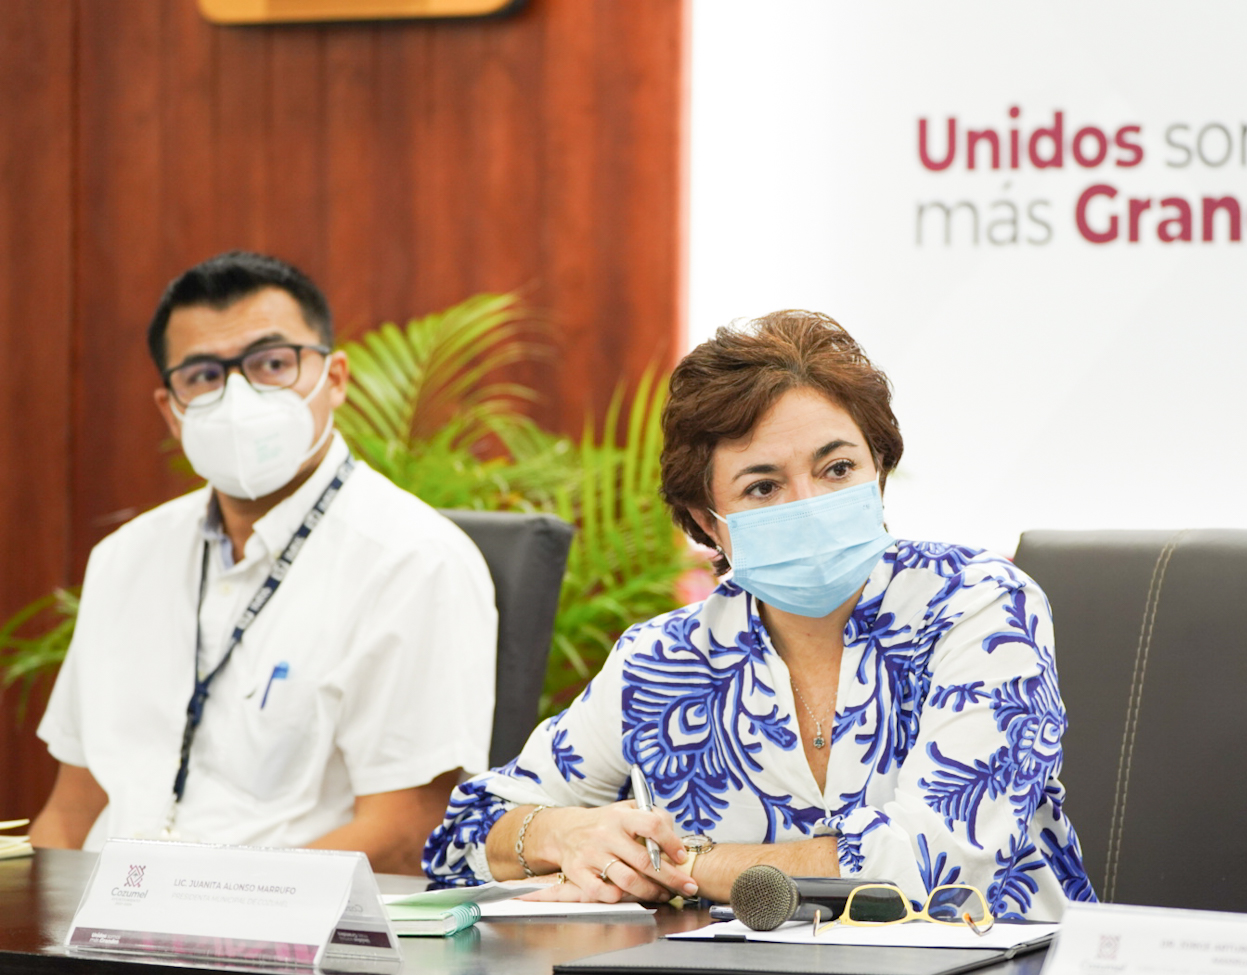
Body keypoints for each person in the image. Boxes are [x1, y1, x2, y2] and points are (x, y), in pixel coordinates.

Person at [423, 310, 1095, 918]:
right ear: (704, 523)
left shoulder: (979, 606)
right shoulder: (662, 661)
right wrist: (561, 834)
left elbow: (936, 865)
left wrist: (678, 865)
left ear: (879, 467)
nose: (808, 502)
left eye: (836, 469)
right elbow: (459, 841)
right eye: (764, 486)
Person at [31, 251, 497, 874]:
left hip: (286, 954)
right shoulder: (123, 560)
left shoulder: (414, 561)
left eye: (272, 364)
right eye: (203, 376)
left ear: (334, 378)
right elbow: (72, 810)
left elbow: (407, 828)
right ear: (171, 410)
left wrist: (195, 909)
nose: (238, 396)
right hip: (94, 940)